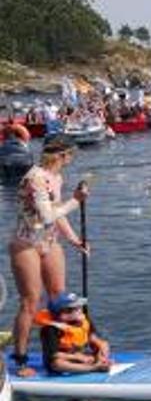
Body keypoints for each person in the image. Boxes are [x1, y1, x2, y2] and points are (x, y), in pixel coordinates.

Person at [8, 139, 89, 377]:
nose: (71, 159)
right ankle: (20, 358)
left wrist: (75, 240)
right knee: (30, 301)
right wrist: (76, 201)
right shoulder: (35, 178)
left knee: (59, 299)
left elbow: (57, 211)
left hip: (50, 242)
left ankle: (58, 351)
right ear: (62, 156)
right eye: (70, 155)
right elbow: (46, 216)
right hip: (26, 243)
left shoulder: (56, 178)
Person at [36, 292, 110, 374]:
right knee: (57, 363)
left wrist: (102, 351)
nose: (80, 311)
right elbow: (54, 355)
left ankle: (102, 363)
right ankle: (93, 368)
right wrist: (77, 358)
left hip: (82, 355)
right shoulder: (50, 330)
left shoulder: (84, 321)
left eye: (79, 307)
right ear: (63, 314)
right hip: (65, 359)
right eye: (76, 308)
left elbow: (94, 339)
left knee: (104, 345)